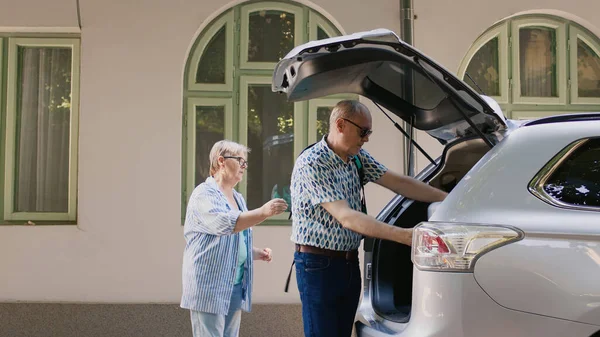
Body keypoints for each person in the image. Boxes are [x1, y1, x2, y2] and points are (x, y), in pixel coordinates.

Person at [290, 100, 448, 337]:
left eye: (369, 132)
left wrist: (449, 199)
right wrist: (406, 237)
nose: (366, 139)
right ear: (341, 125)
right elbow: (348, 217)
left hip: (349, 263)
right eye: (363, 131)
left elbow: (399, 183)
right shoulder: (313, 163)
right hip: (318, 266)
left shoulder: (356, 158)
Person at [181, 140, 288, 337]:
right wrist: (264, 212)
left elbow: (235, 239)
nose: (244, 167)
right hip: (210, 285)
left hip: (235, 282)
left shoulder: (237, 198)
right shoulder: (203, 194)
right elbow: (226, 224)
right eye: (240, 160)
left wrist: (255, 253)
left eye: (245, 162)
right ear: (221, 161)